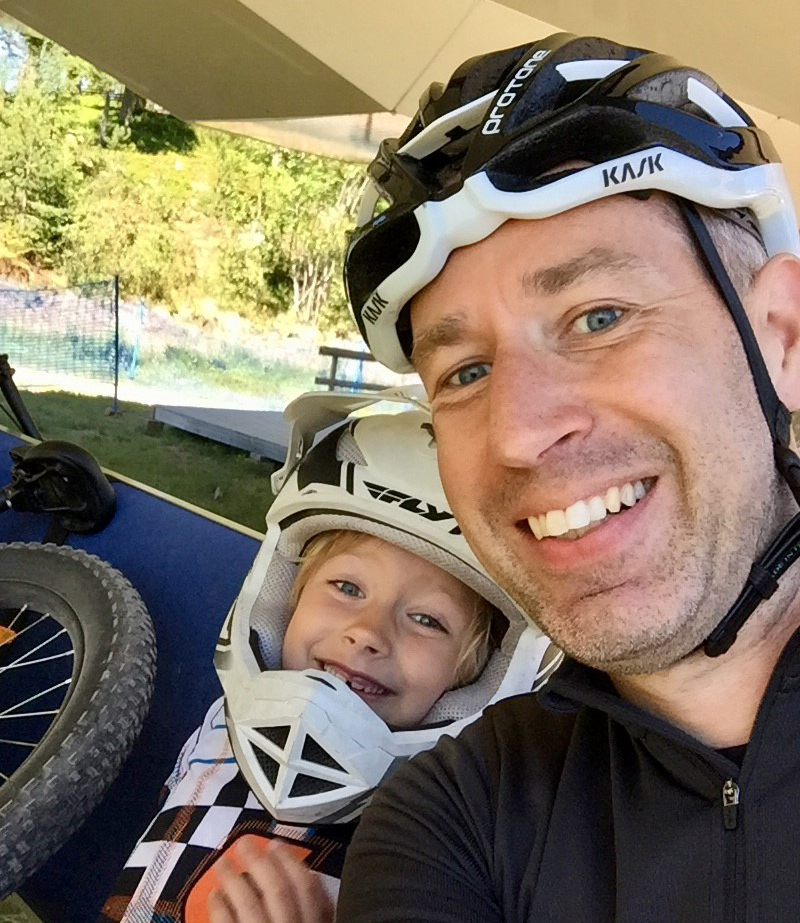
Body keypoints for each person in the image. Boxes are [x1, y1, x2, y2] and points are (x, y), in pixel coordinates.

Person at [336, 33, 800, 922]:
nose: (517, 432)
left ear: (781, 338)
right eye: (464, 373)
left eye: (598, 316)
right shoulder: (451, 822)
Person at [98, 391, 554, 923]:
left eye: (427, 620)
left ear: (476, 675)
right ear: (282, 596)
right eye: (346, 586)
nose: (366, 632)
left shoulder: (458, 839)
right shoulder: (222, 726)